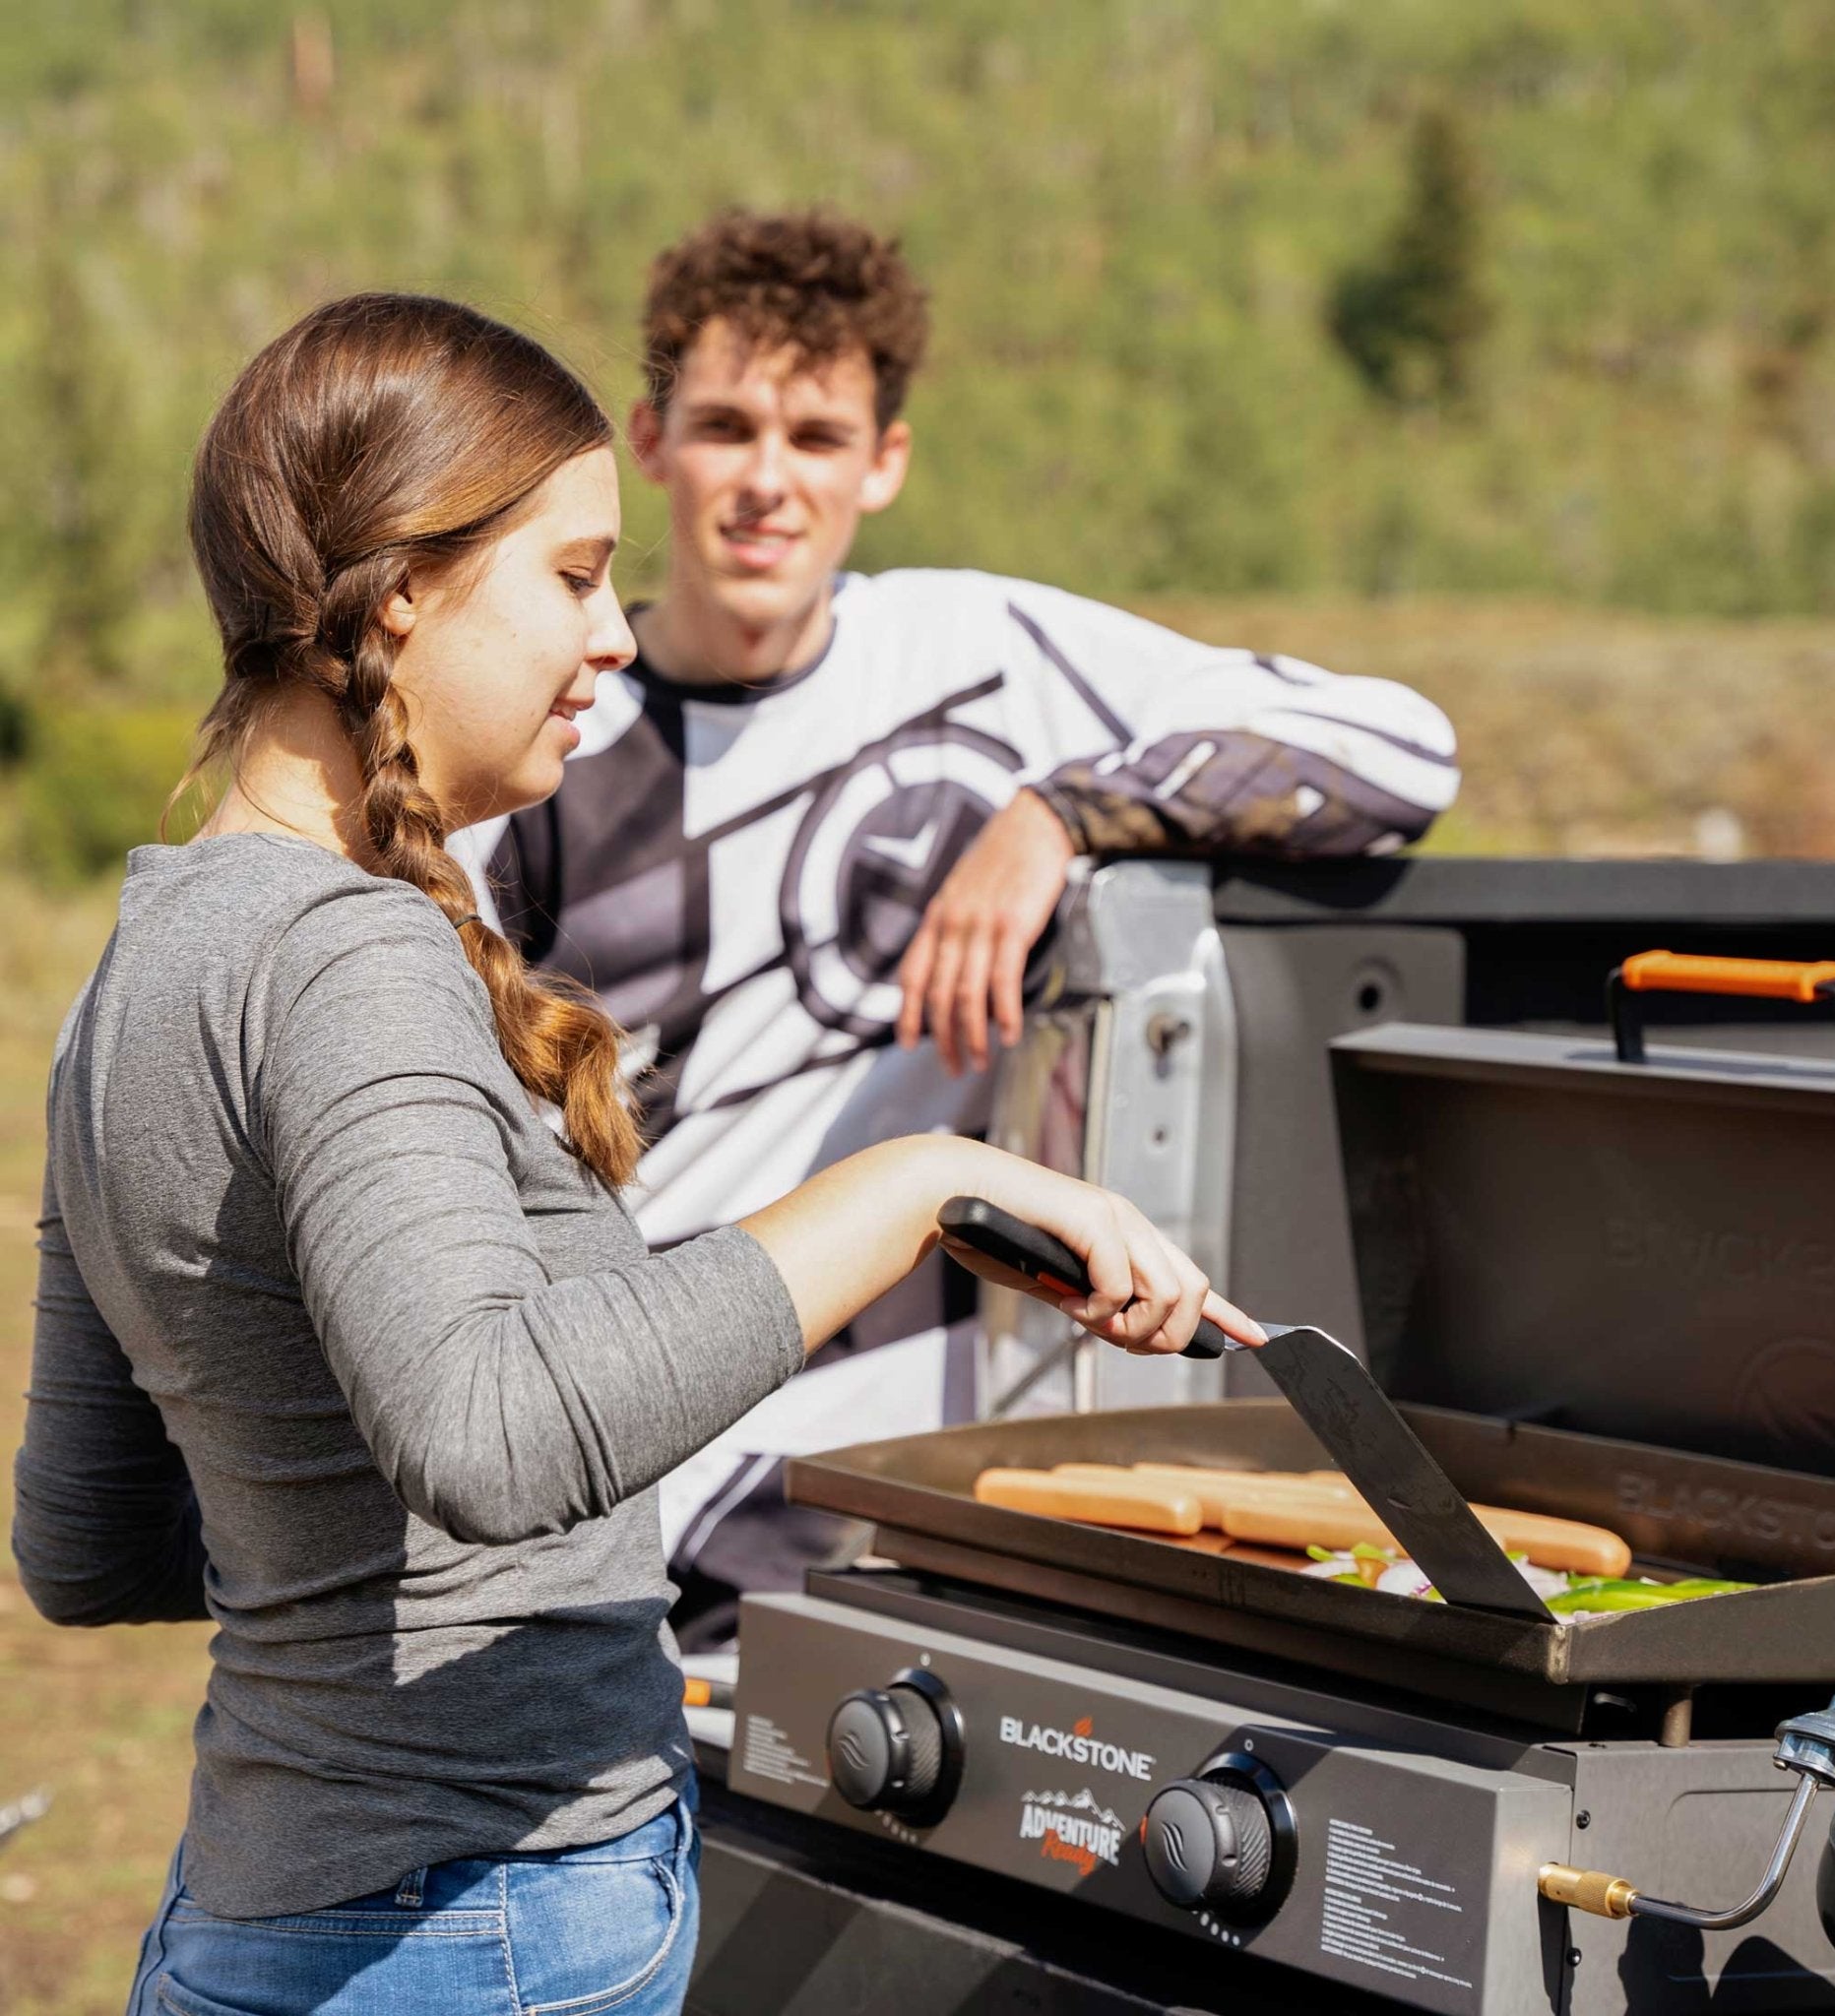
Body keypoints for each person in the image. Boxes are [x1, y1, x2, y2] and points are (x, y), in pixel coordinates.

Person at [11, 292, 1260, 2016]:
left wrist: (339, 1546)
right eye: (574, 574)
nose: (616, 633)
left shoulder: (141, 967)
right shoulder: (353, 954)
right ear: (398, 594)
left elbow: (87, 1544)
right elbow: (493, 1430)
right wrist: (907, 1189)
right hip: (474, 1930)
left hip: (251, 1930)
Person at [451, 211, 1461, 1640]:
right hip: (628, 1464)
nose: (767, 483)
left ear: (886, 461)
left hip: (902, 1457)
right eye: (728, 428)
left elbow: (1402, 751)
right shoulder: (551, 727)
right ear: (651, 439)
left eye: (816, 438)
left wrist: (1066, 813)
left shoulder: (983, 659)